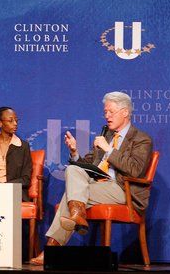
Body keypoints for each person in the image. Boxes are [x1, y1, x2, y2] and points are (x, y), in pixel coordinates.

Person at [31, 91, 153, 265]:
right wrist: (74, 152)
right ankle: (77, 215)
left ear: (125, 112)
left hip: (121, 189)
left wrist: (109, 150)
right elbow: (87, 165)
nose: (107, 116)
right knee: (73, 169)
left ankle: (52, 249)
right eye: (105, 112)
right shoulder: (107, 136)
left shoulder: (141, 139)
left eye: (111, 112)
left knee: (70, 197)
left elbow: (136, 171)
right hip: (97, 183)